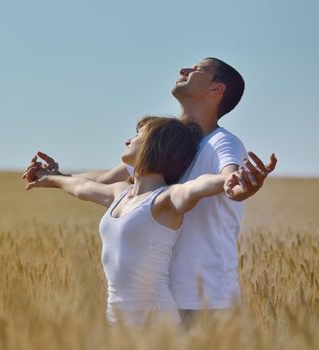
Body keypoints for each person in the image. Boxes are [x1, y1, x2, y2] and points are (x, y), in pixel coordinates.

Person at [23, 57, 277, 325]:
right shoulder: (170, 146)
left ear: (217, 89)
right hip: (166, 296)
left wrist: (235, 186)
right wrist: (57, 176)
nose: (184, 70)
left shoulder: (221, 142)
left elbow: (227, 175)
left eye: (198, 70)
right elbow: (106, 179)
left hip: (204, 302)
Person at [25, 116, 245, 326]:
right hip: (116, 321)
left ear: (156, 145)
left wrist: (228, 179)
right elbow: (81, 187)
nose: (128, 140)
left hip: (156, 324)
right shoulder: (120, 193)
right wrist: (51, 177)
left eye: (139, 134)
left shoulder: (164, 199)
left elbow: (196, 186)